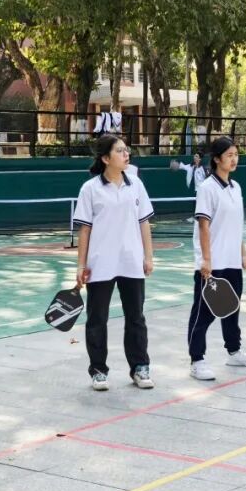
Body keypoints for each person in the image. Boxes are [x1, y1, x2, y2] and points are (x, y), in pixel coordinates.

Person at [73, 135, 155, 391]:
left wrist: (148, 256)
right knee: (97, 319)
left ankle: (140, 367)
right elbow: (84, 230)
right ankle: (98, 370)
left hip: (131, 261)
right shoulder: (90, 189)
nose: (126, 154)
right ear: (106, 158)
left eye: (126, 150)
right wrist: (81, 265)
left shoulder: (136, 184)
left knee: (136, 317)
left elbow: (144, 222)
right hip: (100, 264)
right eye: (120, 151)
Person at [187, 137, 246, 381]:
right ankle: (197, 360)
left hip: (232, 261)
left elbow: (236, 225)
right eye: (229, 155)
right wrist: (206, 260)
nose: (234, 159)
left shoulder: (235, 187)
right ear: (217, 159)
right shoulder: (207, 188)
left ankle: (234, 351)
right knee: (204, 313)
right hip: (212, 263)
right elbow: (203, 226)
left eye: (236, 154)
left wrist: (243, 253)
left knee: (232, 307)